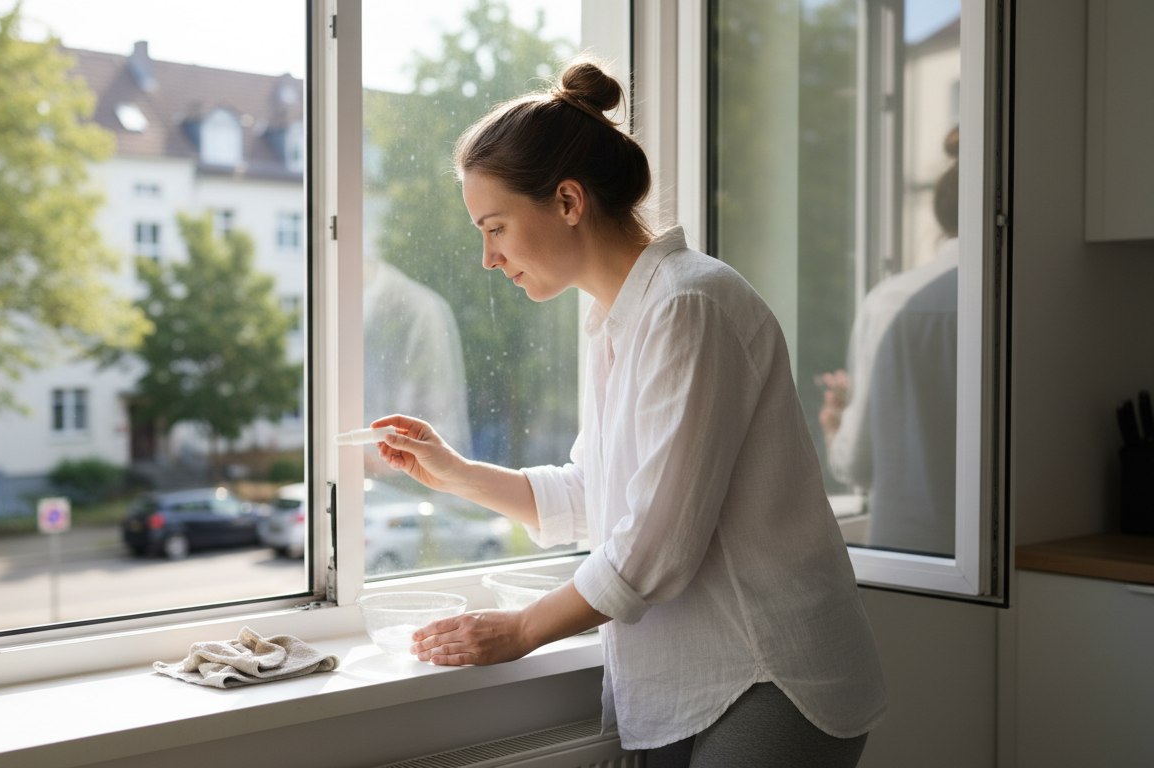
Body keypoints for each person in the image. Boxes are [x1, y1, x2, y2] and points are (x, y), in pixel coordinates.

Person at [371, 58, 886, 767]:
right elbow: (597, 497)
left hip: (769, 670)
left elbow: (654, 547)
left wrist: (523, 629)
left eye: (495, 227)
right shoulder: (619, 320)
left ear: (569, 202)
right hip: (698, 678)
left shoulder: (688, 306)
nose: (487, 258)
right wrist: (455, 473)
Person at [820, 127, 960, 556]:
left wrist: (834, 422)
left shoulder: (891, 303)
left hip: (907, 557)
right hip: (1010, 555)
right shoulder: (1022, 301)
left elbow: (857, 464)